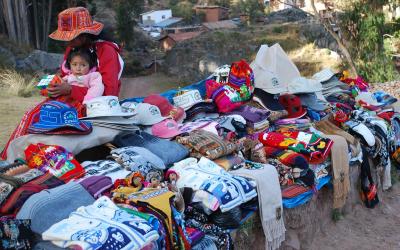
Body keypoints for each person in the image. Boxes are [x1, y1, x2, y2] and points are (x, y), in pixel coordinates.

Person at [1, 7, 123, 159]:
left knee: (52, 130)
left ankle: (34, 161)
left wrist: (70, 90)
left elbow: (108, 94)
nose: (68, 42)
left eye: (72, 37)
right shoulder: (73, 48)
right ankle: (9, 160)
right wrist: (54, 87)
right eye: (67, 38)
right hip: (65, 101)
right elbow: (66, 76)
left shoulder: (106, 51)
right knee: (31, 116)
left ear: (86, 34)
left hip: (92, 107)